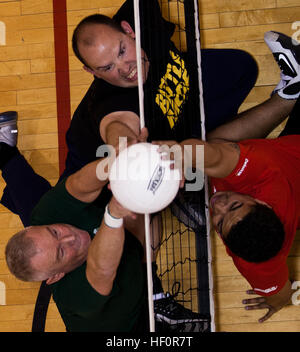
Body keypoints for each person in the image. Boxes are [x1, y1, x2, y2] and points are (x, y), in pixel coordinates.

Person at [0, 0, 257, 330]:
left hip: (89, 178)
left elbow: (82, 180)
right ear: (58, 275)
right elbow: (100, 270)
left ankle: (6, 154)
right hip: (126, 327)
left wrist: (119, 165)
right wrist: (120, 204)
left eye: (56, 233)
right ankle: (156, 298)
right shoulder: (78, 296)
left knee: (39, 206)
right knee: (135, 221)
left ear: (128, 32)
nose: (69, 238)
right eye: (62, 253)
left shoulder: (48, 219)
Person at [153, 31, 300, 323]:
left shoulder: (255, 260)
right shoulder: (268, 173)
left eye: (220, 221)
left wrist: (276, 302)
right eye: (234, 205)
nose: (218, 204)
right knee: (216, 143)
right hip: (292, 155)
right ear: (264, 203)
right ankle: (293, 90)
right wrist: (172, 153)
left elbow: (280, 296)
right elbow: (205, 152)